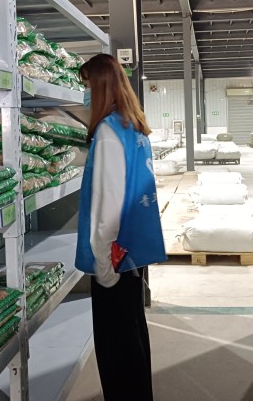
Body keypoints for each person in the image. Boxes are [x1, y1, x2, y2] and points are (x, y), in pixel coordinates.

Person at [75, 54, 167, 401]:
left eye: (87, 86)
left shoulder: (108, 132)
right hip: (131, 254)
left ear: (100, 86)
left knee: (115, 349)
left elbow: (109, 203)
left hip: (113, 258)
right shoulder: (133, 128)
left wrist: (103, 264)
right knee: (132, 337)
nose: (85, 94)